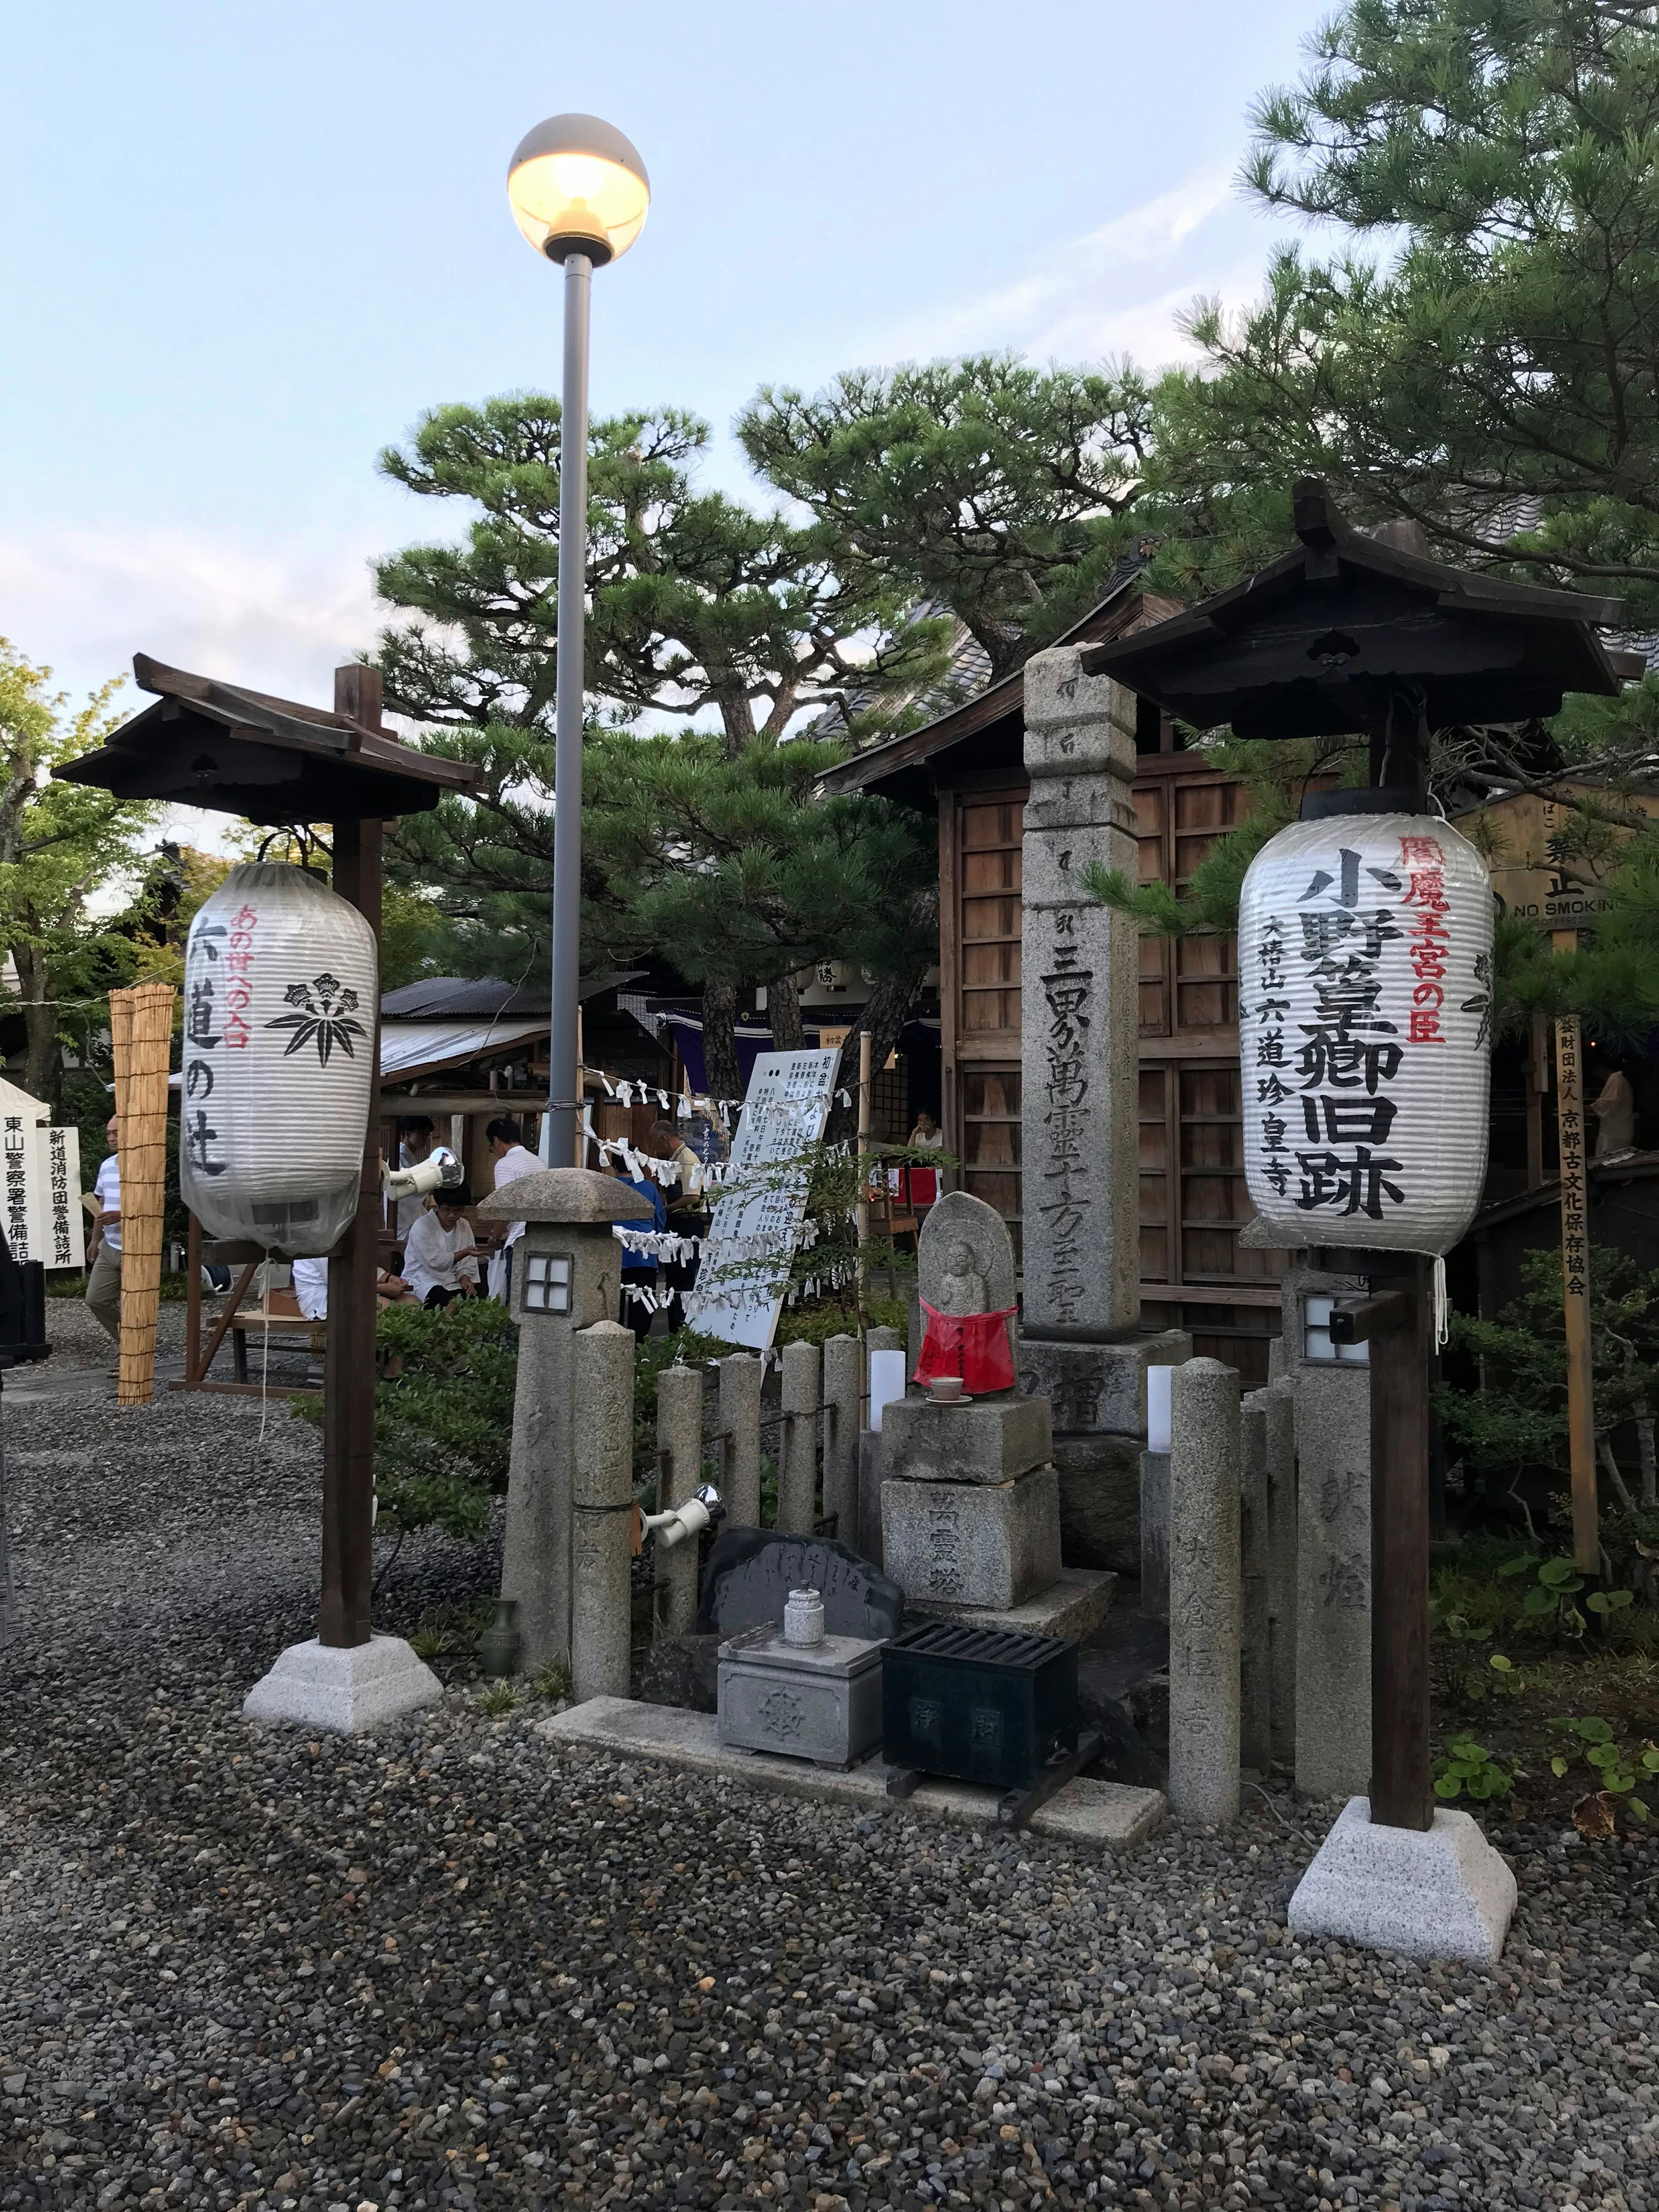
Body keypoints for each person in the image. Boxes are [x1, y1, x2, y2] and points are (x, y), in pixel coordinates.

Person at [610, 1155, 668, 1338]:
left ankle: (612, 1340)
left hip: (614, 1254)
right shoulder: (649, 1188)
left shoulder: (608, 1187)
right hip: (644, 1254)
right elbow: (660, 1219)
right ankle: (639, 1345)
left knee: (612, 1303)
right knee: (643, 1303)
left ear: (614, 1166)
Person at [486, 1115, 542, 1301]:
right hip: (542, 1238)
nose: (493, 1151)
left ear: (496, 1141)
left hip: (520, 1242)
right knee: (536, 1299)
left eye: (491, 1146)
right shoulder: (538, 1162)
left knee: (516, 1300)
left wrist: (496, 1235)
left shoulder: (505, 1165)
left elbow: (505, 1208)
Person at [401, 1192, 483, 1308]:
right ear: (438, 1207)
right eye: (447, 1210)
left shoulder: (464, 1225)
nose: (452, 1216)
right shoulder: (422, 1225)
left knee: (470, 1300)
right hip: (424, 1278)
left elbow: (468, 1262)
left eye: (457, 1211)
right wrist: (464, 1253)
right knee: (446, 1300)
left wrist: (465, 1278)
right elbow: (435, 1262)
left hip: (452, 1280)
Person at [85, 1114, 122, 1347]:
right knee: (95, 1299)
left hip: (139, 1246)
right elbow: (101, 1202)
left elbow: (157, 1206)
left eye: (116, 1133)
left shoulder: (147, 1164)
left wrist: (122, 1215)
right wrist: (94, 1239)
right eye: (109, 1133)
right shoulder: (107, 1165)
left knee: (135, 1302)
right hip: (110, 1244)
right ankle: (128, 1342)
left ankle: (136, 1347)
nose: (111, 1138)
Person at [290, 1256, 417, 1319]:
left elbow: (364, 1267)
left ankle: (402, 1358)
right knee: (384, 1306)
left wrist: (390, 1278)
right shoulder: (321, 1242)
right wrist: (383, 1288)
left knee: (411, 1302)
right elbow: (341, 1282)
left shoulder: (350, 1234)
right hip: (321, 1299)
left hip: (353, 1290)